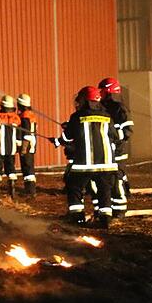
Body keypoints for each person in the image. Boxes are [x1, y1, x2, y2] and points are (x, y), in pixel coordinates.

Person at [51, 86, 118, 227]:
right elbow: (115, 136)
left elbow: (67, 137)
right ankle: (105, 219)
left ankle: (77, 217)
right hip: (106, 163)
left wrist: (57, 141)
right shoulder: (107, 116)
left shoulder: (77, 117)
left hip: (84, 164)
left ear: (85, 101)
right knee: (104, 190)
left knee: (74, 187)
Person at [99, 77, 132, 217]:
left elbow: (127, 131)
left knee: (117, 177)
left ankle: (120, 209)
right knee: (111, 178)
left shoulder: (119, 108)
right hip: (108, 148)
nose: (101, 94)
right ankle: (115, 204)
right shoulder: (105, 106)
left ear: (109, 91)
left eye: (103, 91)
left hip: (117, 150)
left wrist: (112, 136)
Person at [0, 95, 21, 197]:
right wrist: (18, 146)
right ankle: (12, 186)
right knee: (11, 168)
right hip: (11, 150)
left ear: (2, 105)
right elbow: (19, 135)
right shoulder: (16, 118)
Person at [16, 93, 38, 198]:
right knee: (28, 166)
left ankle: (30, 191)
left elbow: (27, 133)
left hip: (27, 144)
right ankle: (30, 189)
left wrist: (24, 148)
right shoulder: (30, 114)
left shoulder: (25, 116)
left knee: (27, 166)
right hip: (31, 143)